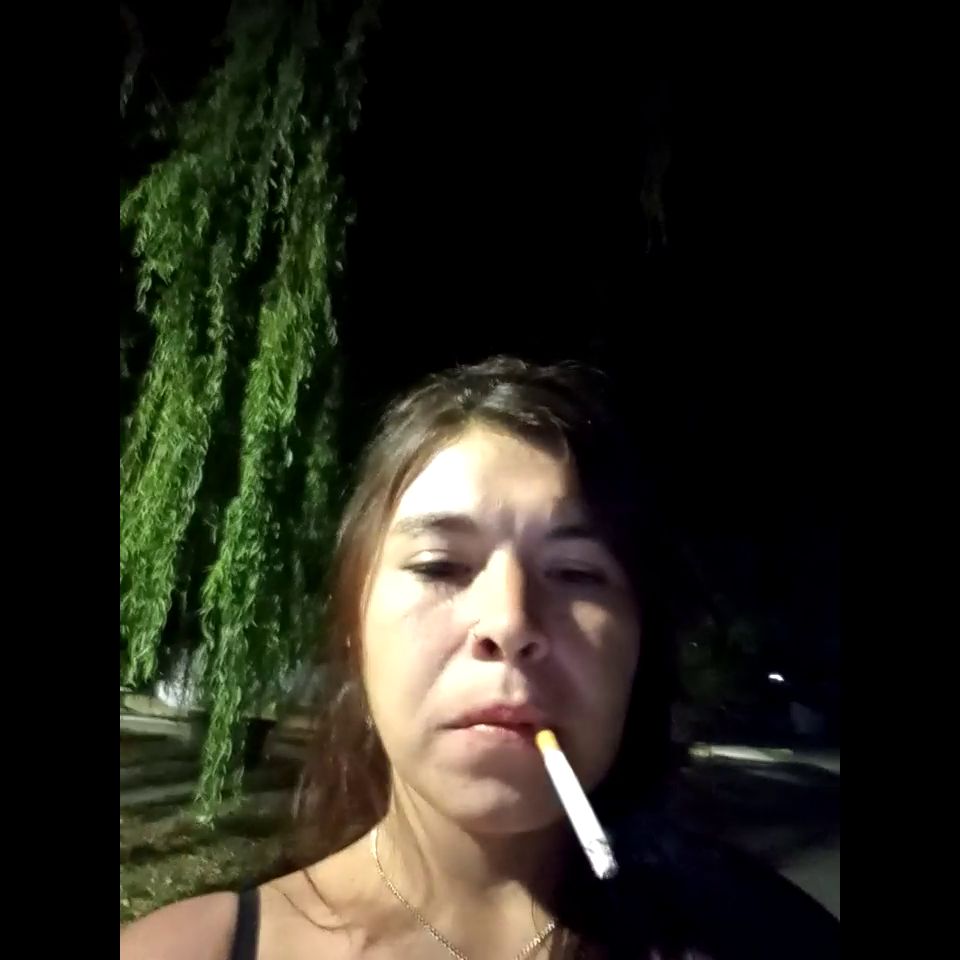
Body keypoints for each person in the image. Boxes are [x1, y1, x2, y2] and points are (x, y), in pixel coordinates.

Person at [121, 357, 839, 959]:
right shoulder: (188, 950)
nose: (510, 621)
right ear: (354, 630)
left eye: (577, 573)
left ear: (639, 649)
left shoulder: (773, 940)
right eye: (440, 565)